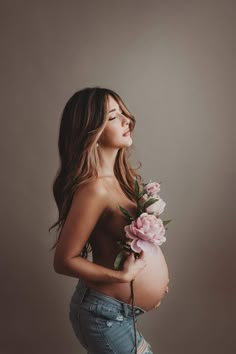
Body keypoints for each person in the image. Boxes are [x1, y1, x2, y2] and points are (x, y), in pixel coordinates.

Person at [49, 87, 169, 354]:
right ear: (91, 132)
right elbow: (64, 260)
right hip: (104, 317)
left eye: (123, 112)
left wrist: (153, 283)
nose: (127, 120)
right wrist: (121, 276)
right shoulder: (95, 189)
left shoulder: (120, 180)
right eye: (114, 117)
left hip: (118, 311)